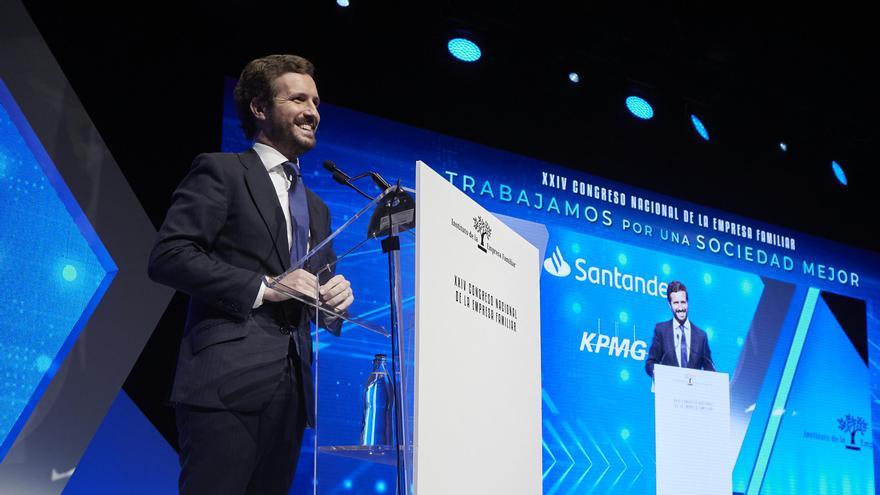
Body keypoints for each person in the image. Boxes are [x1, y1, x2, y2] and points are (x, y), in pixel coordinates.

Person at [148, 54, 353, 495]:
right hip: (224, 381)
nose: (313, 111)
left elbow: (313, 293)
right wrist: (265, 287)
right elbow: (170, 255)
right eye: (298, 98)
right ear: (260, 108)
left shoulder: (317, 206)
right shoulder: (221, 171)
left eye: (316, 101)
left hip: (292, 392)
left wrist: (333, 300)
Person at [645, 281, 714, 378]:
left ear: (688, 302)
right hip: (669, 389)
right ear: (670, 305)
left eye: (683, 302)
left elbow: (709, 368)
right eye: (676, 303)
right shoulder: (661, 330)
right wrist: (655, 371)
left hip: (693, 391)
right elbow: (650, 363)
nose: (680, 307)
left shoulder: (701, 336)